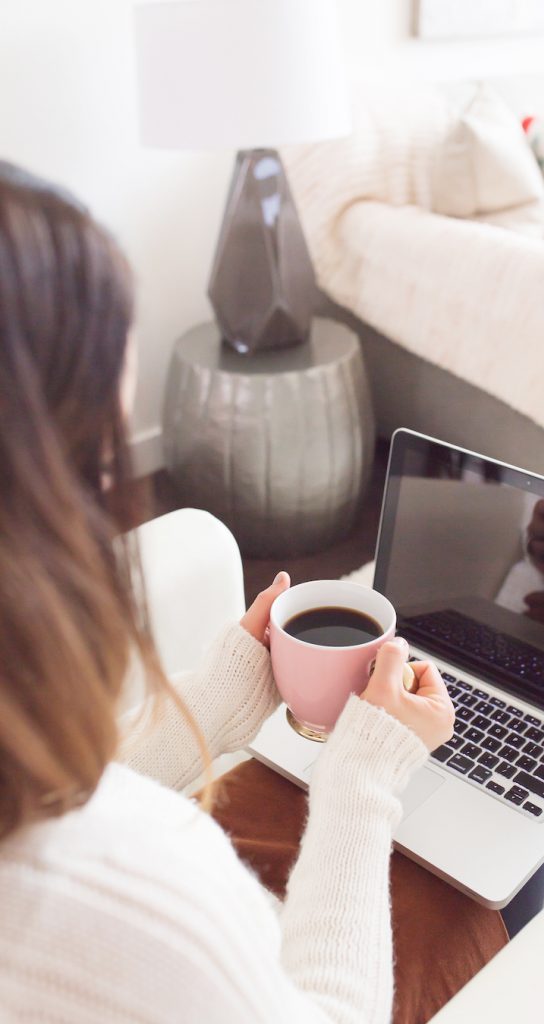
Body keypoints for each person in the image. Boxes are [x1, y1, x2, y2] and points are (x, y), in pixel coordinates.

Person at [0, 162, 508, 1023]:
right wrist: (361, 776)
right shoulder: (144, 899)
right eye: (107, 452)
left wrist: (227, 695)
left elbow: (58, 796)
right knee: (486, 908)